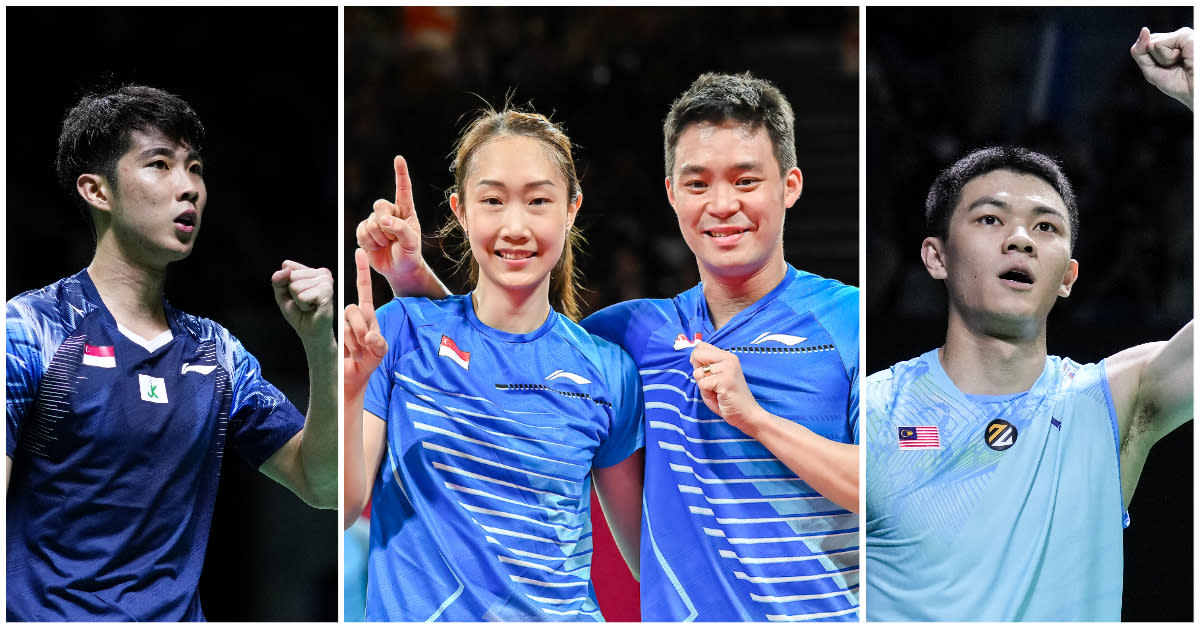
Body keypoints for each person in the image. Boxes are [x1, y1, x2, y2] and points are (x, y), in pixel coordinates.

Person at [358, 72, 860, 621]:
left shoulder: (849, 321)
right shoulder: (630, 338)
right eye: (697, 184)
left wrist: (756, 419)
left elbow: (894, 489)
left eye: (745, 181)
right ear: (672, 194)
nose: (721, 204)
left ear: (788, 186)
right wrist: (413, 279)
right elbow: (498, 341)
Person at [864, 27, 1194, 622]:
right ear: (936, 256)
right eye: (990, 219)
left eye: (1045, 227)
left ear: (1067, 276)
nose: (1020, 236)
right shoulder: (868, 414)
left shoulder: (1114, 404)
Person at [5, 85, 338, 621]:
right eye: (160, 165)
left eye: (196, 168)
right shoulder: (31, 330)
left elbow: (322, 485)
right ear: (97, 190)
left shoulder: (216, 353)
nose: (189, 188)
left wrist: (320, 343)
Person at [342, 106, 645, 621]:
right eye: (493, 200)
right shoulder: (400, 331)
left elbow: (644, 555)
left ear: (572, 209)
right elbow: (344, 504)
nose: (515, 226)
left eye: (538, 201)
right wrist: (350, 392)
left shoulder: (608, 371)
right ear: (460, 211)